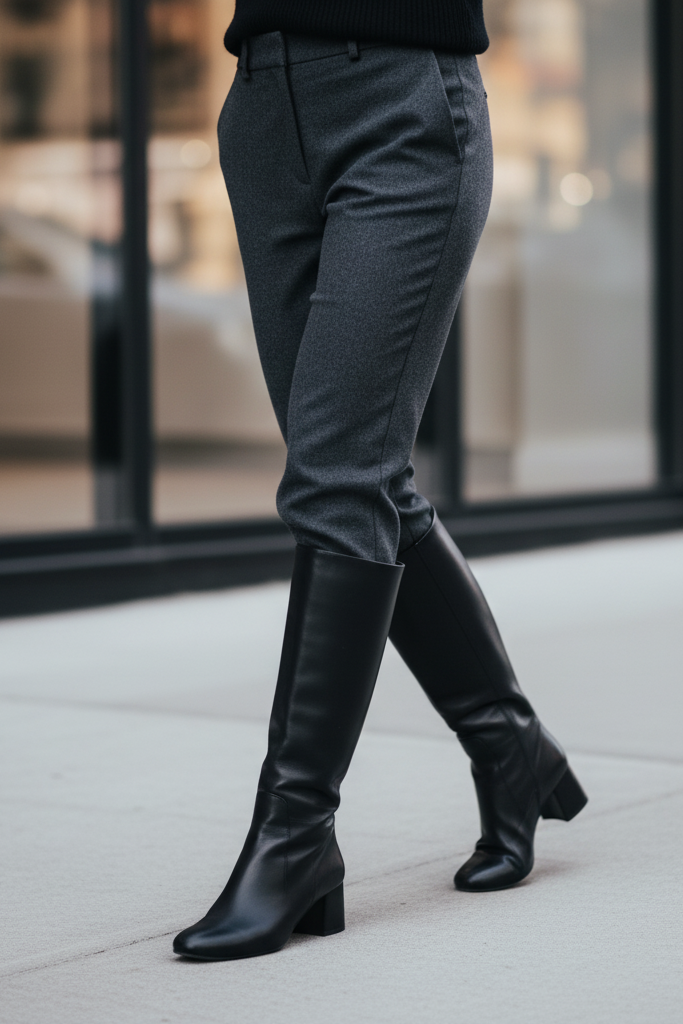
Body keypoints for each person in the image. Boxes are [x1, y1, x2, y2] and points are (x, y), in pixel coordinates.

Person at [173, 0, 587, 962]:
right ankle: (510, 748)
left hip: (403, 103)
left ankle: (295, 835)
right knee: (356, 478)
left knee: (338, 478)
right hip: (264, 108)